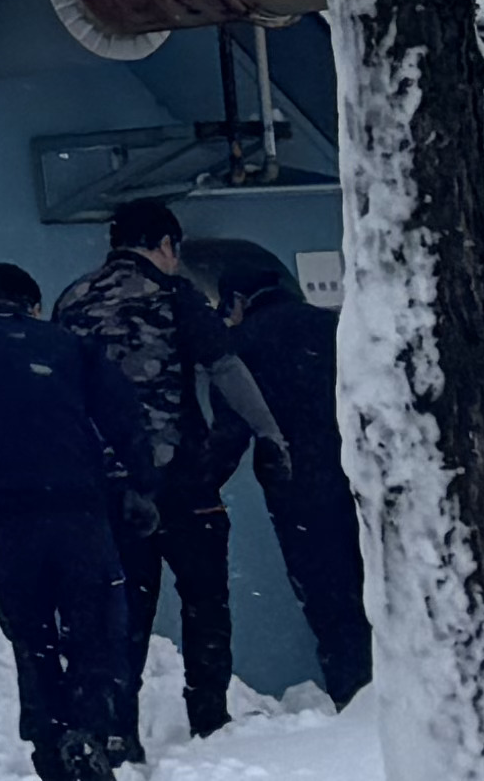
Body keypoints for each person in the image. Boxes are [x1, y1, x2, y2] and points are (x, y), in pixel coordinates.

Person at [0, 262, 161, 781]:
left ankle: (49, 746)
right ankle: (90, 734)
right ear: (36, 306)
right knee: (95, 633)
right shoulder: (71, 347)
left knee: (33, 640)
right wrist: (142, 484)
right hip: (82, 516)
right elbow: (123, 415)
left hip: (10, 521)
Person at [58, 199, 268, 741]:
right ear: (167, 246)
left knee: (123, 611)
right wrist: (270, 432)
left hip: (105, 488)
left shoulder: (73, 300)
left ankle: (118, 730)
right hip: (182, 480)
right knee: (205, 602)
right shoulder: (174, 294)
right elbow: (224, 367)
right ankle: (210, 720)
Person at [187, 235, 372, 706]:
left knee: (331, 602)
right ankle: (395, 687)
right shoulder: (334, 327)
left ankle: (354, 694)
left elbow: (231, 431)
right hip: (361, 478)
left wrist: (194, 488)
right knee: (376, 587)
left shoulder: (242, 344)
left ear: (238, 301)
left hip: (299, 490)